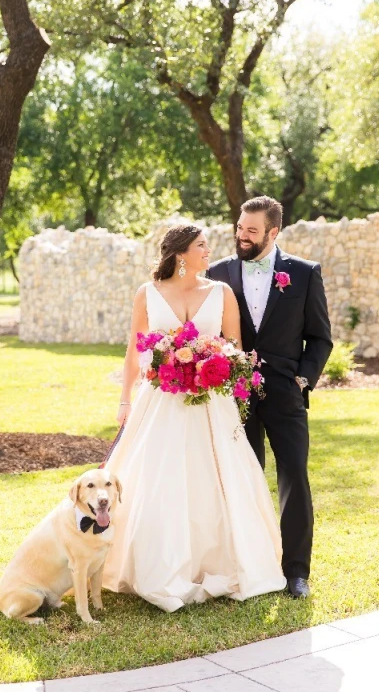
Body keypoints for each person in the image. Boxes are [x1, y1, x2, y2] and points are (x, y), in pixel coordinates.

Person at [102, 224, 286, 612]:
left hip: (210, 402)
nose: (209, 251)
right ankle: (157, 564)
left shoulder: (221, 293)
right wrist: (124, 399)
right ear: (181, 253)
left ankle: (219, 562)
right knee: (158, 478)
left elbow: (234, 347)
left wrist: (217, 362)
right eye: (201, 246)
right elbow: (135, 351)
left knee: (214, 480)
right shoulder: (147, 293)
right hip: (161, 400)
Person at [207, 196, 333, 598]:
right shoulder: (217, 273)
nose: (241, 236)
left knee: (294, 475)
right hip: (235, 394)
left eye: (251, 230)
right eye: (240, 227)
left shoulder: (304, 273)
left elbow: (320, 337)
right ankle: (251, 566)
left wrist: (302, 379)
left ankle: (296, 571)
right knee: (245, 478)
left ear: (273, 232)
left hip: (285, 391)